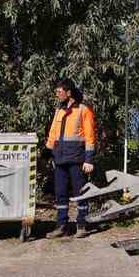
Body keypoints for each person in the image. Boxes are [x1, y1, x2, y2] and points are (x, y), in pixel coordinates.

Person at [45, 78, 96, 238]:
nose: (57, 95)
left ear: (69, 92)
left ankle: (81, 225)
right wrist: (47, 153)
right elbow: (53, 133)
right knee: (60, 193)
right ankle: (61, 226)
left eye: (59, 92)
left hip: (77, 159)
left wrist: (89, 159)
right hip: (60, 159)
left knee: (80, 193)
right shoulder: (58, 111)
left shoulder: (83, 110)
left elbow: (90, 137)